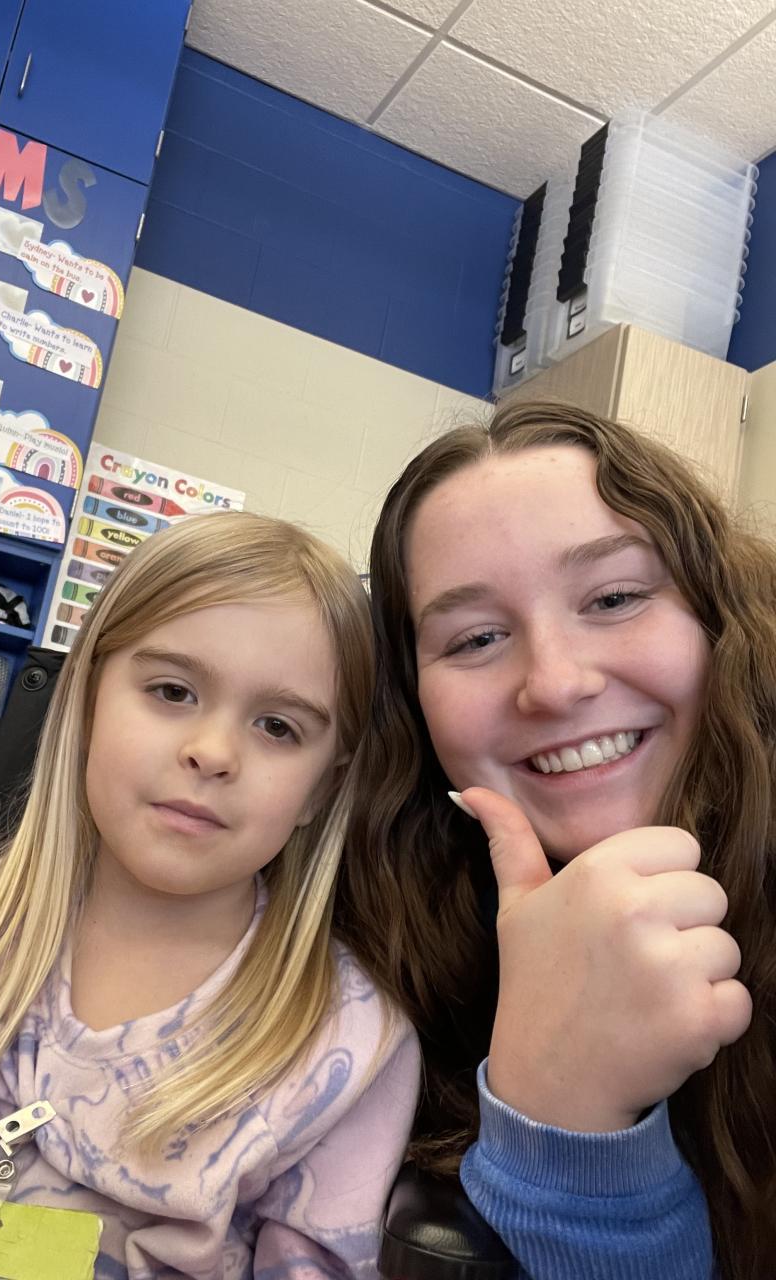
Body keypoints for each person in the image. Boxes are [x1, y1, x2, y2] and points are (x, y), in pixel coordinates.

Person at [0, 512, 420, 1280]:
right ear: (88, 700)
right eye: (172, 690)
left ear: (321, 788)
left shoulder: (350, 1039)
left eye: (278, 727)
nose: (213, 752)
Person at [337, 400, 771, 1280]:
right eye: (476, 638)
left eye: (614, 598)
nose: (555, 683)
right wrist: (562, 1124)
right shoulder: (365, 966)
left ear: (718, 618)